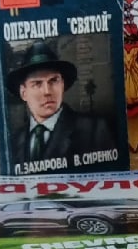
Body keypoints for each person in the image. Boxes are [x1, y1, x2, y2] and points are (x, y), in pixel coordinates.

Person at [6, 42, 117, 173]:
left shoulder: (94, 131)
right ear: (23, 93)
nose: (47, 91)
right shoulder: (13, 141)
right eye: (37, 84)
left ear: (62, 85)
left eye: (54, 81)